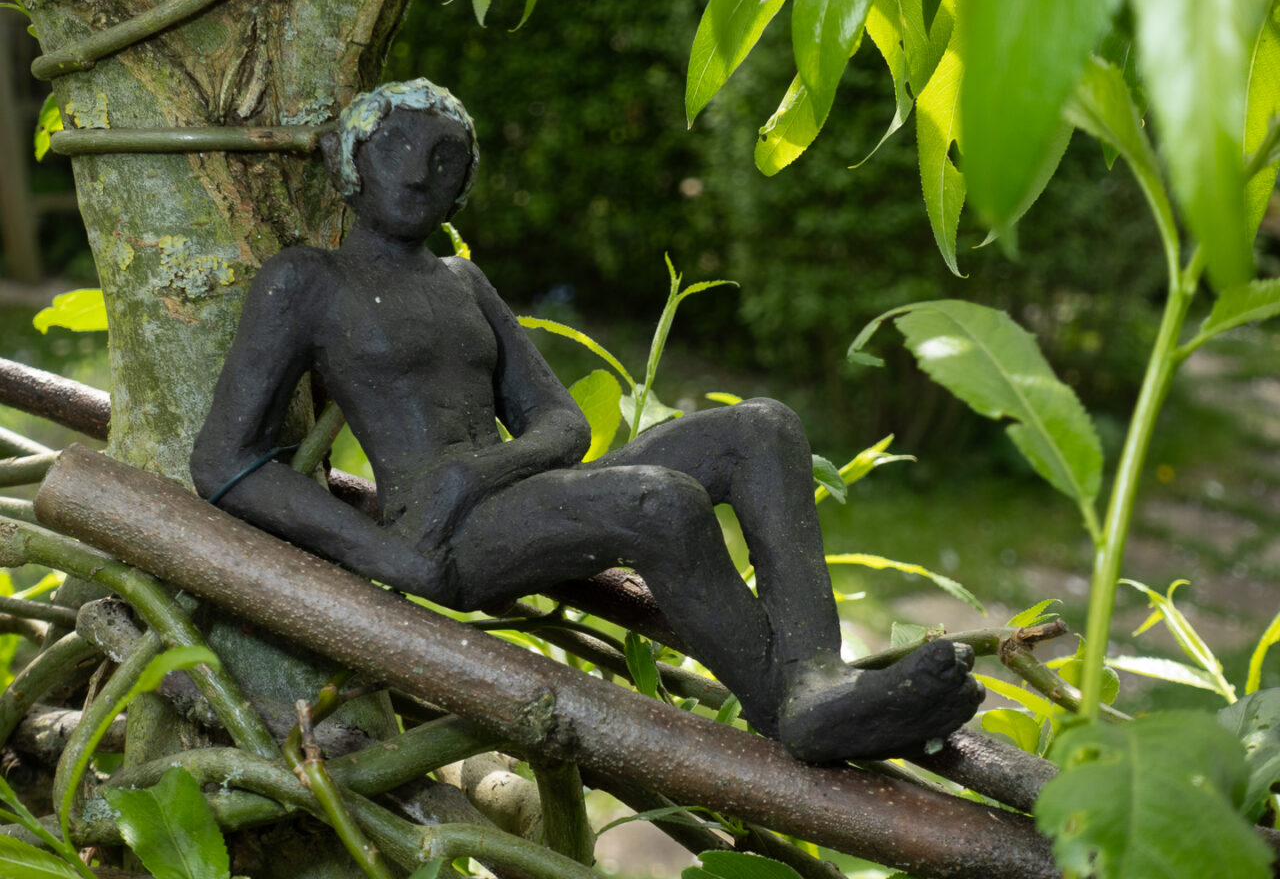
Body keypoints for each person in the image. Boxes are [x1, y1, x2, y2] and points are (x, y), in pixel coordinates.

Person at [190, 79, 983, 762]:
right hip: (443, 539)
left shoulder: (463, 282)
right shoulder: (306, 281)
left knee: (764, 426)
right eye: (394, 145)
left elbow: (562, 424)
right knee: (660, 500)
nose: (418, 172)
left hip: (521, 490)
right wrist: (392, 558)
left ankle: (817, 678)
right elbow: (225, 463)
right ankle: (792, 714)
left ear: (464, 182)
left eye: (446, 158)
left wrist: (477, 472)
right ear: (351, 159)